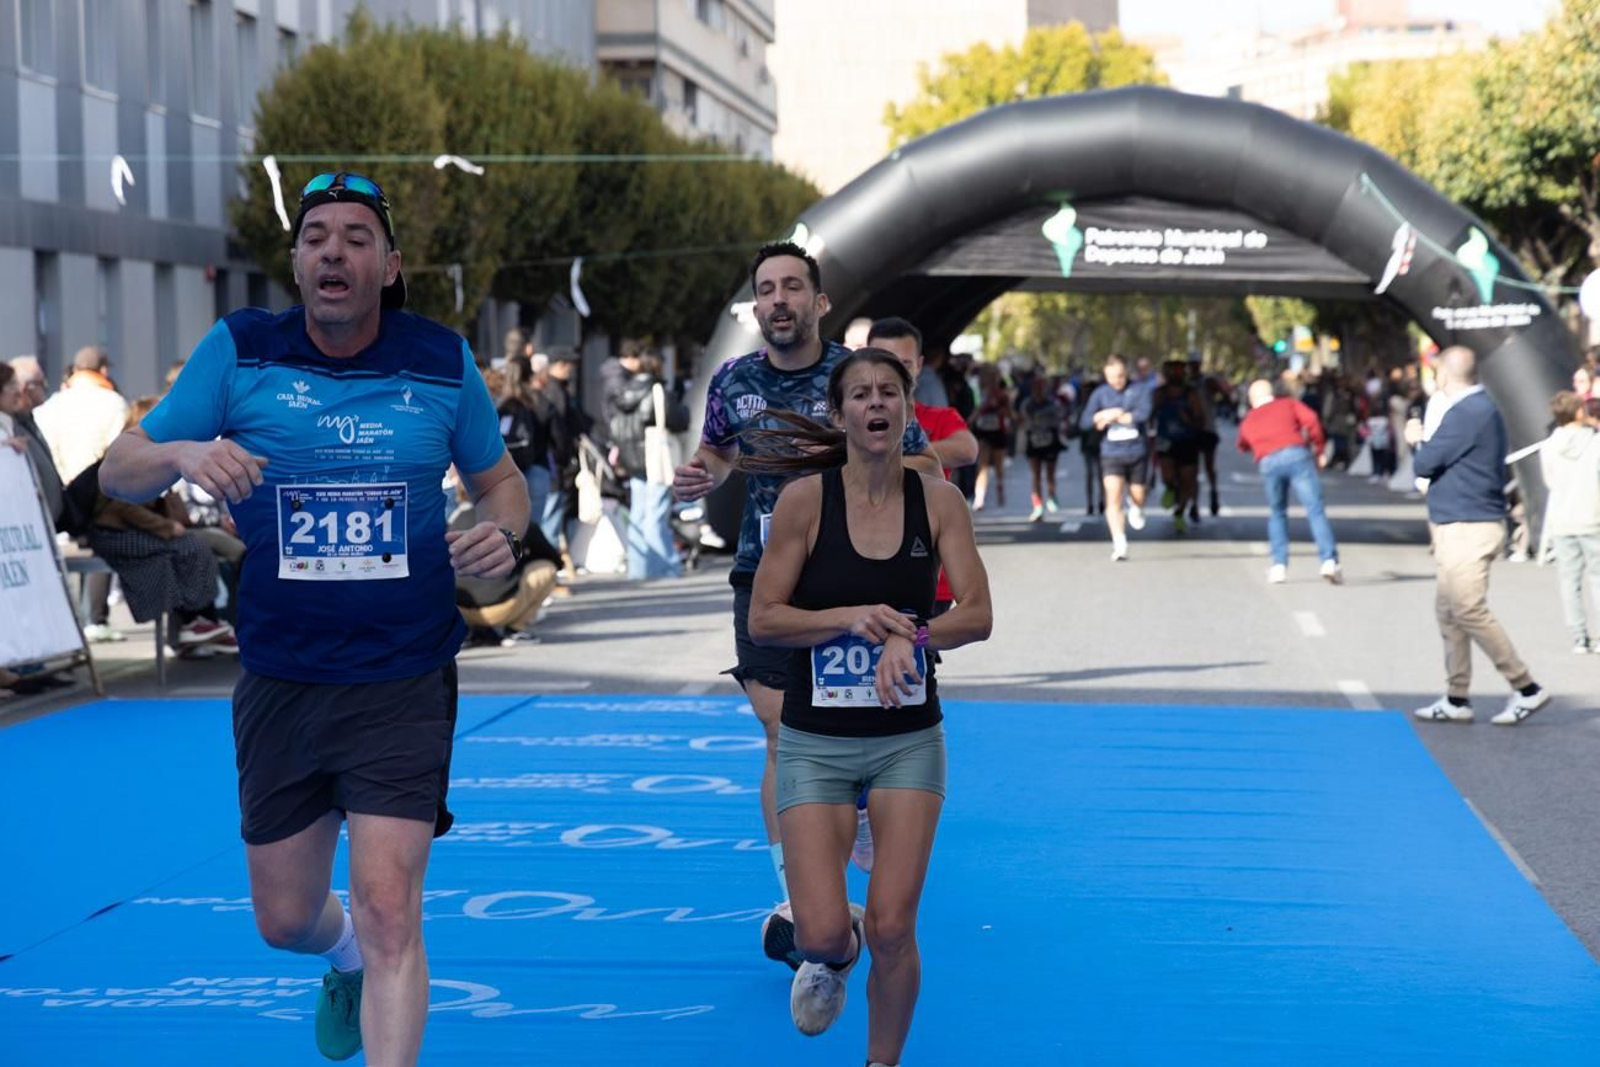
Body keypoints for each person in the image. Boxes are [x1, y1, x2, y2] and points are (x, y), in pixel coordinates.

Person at [98, 172, 529, 1064]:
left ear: (390, 263)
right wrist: (182, 450)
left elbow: (502, 483)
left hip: (402, 672)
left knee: (387, 910)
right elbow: (118, 469)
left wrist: (503, 532)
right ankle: (337, 959)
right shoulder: (240, 349)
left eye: (357, 237)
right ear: (296, 263)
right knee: (286, 917)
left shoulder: (440, 360)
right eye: (317, 236)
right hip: (282, 673)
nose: (335, 250)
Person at [672, 241, 936, 973]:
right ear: (755, 307)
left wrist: (849, 459)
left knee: (856, 728)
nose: (779, 299)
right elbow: (720, 450)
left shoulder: (858, 379)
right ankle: (797, 896)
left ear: (819, 303)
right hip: (766, 581)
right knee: (781, 732)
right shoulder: (735, 379)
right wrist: (704, 473)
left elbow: (928, 465)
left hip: (854, 578)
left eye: (793, 286)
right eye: (767, 289)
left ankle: (852, 807)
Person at [744, 347, 992, 1063]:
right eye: (861, 394)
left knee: (893, 926)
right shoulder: (805, 501)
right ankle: (833, 947)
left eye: (890, 392)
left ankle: (881, 1060)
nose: (876, 404)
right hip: (815, 738)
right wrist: (853, 617)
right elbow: (765, 618)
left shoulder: (939, 501)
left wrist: (911, 635)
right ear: (840, 412)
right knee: (821, 935)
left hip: (906, 738)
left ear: (908, 410)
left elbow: (976, 614)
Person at [1404, 346, 1548, 726]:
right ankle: (1457, 696)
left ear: (1444, 375)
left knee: (1467, 608)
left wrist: (1417, 438)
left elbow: (1425, 462)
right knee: (1449, 612)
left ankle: (1526, 687)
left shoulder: (1466, 413)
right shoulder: (1481, 408)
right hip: (1460, 522)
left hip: (1469, 526)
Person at [1235, 379, 1343, 584]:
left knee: (1277, 512)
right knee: (1315, 510)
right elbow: (1311, 420)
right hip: (1296, 454)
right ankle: (1328, 560)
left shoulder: (1250, 418)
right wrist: (1318, 449)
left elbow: (1242, 443)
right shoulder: (1288, 404)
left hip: (1268, 461)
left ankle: (1279, 566)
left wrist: (1260, 445)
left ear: (1252, 398)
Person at [1538, 391, 1600, 653]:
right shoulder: (1596, 444)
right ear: (1578, 412)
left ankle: (1579, 636)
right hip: (1593, 516)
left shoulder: (1548, 446)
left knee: (1569, 579)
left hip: (1562, 519)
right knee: (1597, 577)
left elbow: (1550, 481)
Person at [1079, 354, 1152, 561]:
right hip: (1111, 453)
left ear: (1126, 372)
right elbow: (1084, 422)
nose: (1116, 381)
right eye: (1111, 377)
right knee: (1113, 495)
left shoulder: (1139, 390)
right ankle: (1119, 543)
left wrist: (1121, 416)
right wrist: (1100, 417)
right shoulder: (1100, 394)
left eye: (1120, 376)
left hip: (1136, 451)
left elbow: (1145, 413)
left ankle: (1137, 506)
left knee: (1138, 494)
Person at [1150, 360, 1205, 534]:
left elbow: (1200, 419)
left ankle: (1180, 511)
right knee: (1167, 474)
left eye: (1179, 371)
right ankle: (1170, 488)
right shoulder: (1160, 393)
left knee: (1188, 479)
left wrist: (1189, 419)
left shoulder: (1191, 394)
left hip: (1187, 441)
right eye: (1172, 371)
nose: (1175, 375)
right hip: (1165, 440)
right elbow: (1150, 414)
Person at [1018, 374, 1067, 521]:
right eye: (1036, 388)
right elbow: (1022, 420)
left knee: (1050, 473)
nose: (1038, 390)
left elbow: (1060, 418)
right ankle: (1038, 506)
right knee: (1036, 475)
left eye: (1041, 387)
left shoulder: (1053, 403)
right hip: (1034, 441)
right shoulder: (1027, 404)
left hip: (1050, 441)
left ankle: (1052, 495)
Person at [968, 364, 1012, 511]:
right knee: (983, 465)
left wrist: (1000, 410)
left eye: (993, 377)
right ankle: (979, 498)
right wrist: (969, 421)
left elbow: (1009, 413)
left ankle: (1000, 485)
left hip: (998, 432)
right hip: (983, 432)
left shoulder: (1002, 395)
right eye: (987, 376)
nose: (990, 379)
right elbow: (976, 409)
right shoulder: (978, 392)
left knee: (998, 465)